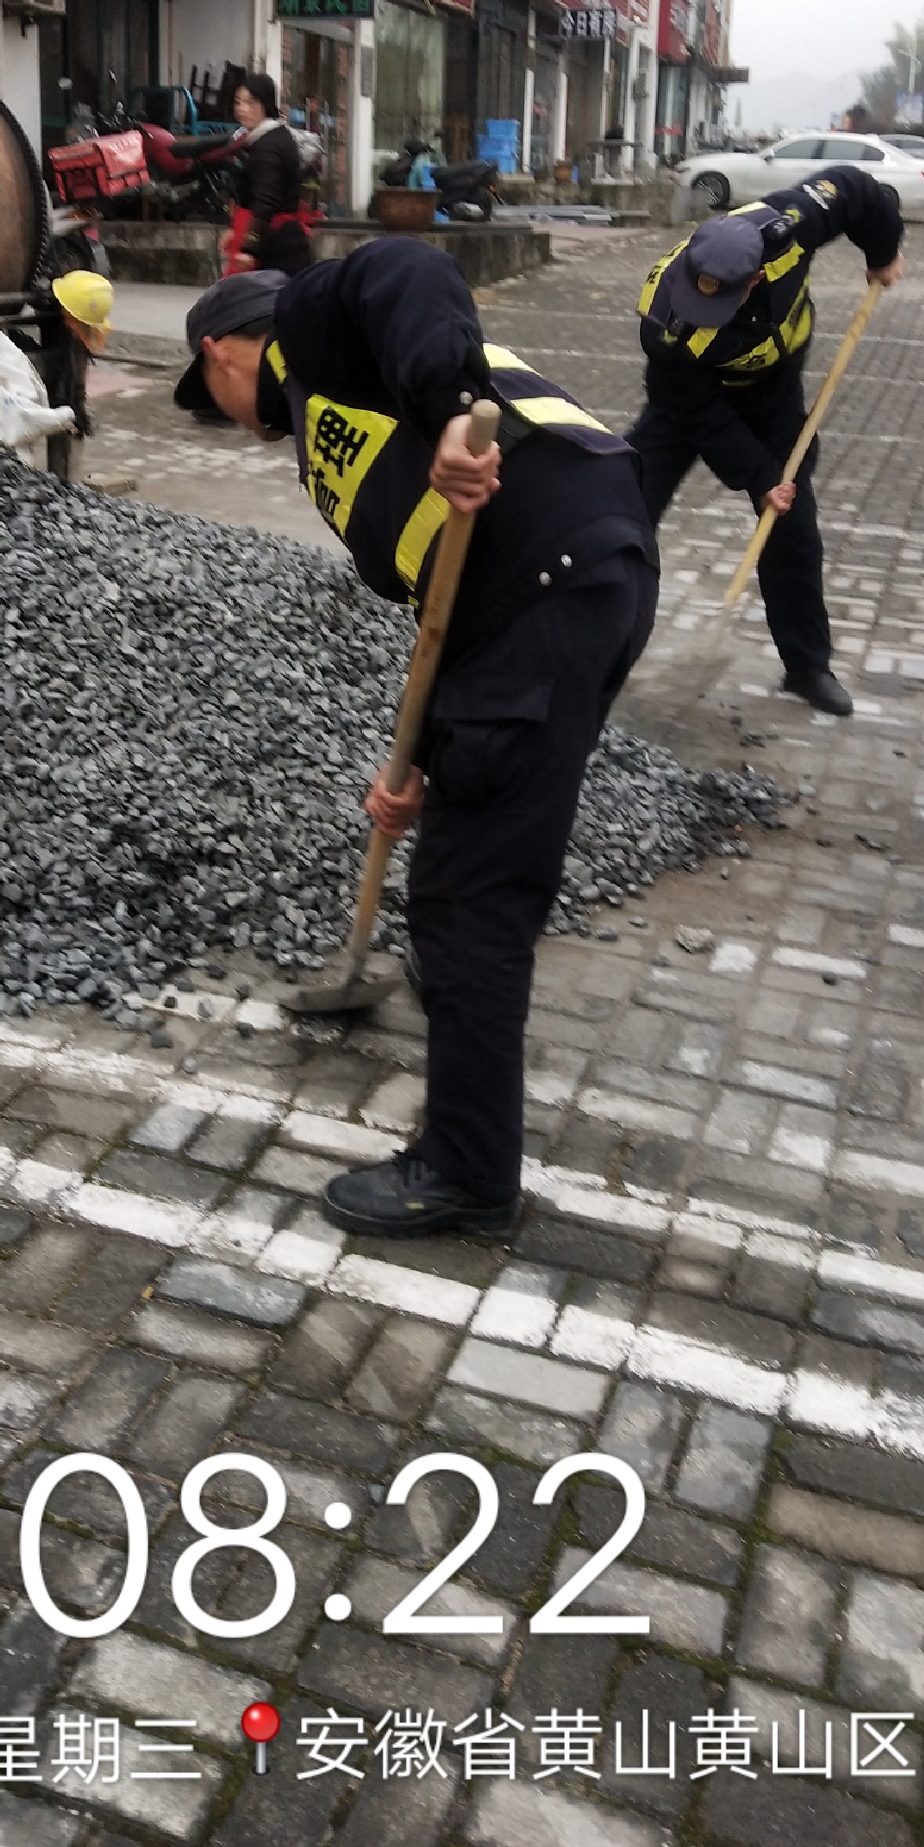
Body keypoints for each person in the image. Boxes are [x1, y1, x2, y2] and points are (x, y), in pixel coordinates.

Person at [173, 241, 659, 1238]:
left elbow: (407, 269)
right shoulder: (333, 412)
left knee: (467, 899)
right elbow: (448, 614)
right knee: (477, 835)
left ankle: (468, 1173)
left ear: (222, 351)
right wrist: (424, 763)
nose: (221, 412)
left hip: (553, 581)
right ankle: (461, 1000)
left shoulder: (313, 327)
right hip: (567, 586)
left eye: (207, 390)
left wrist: (448, 413)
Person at [627, 163, 906, 717]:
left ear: (754, 278)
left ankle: (807, 666)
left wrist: (882, 252)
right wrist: (760, 479)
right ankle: (593, 647)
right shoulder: (664, 324)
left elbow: (858, 190)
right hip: (689, 403)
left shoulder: (789, 224)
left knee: (792, 526)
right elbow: (701, 416)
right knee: (623, 508)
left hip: (772, 392)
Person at [224, 71, 316, 278]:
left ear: (265, 104)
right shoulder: (267, 138)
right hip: (279, 240)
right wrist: (234, 229)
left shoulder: (268, 146)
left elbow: (266, 201)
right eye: (238, 102)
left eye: (250, 102)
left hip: (276, 246)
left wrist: (249, 248)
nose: (242, 109)